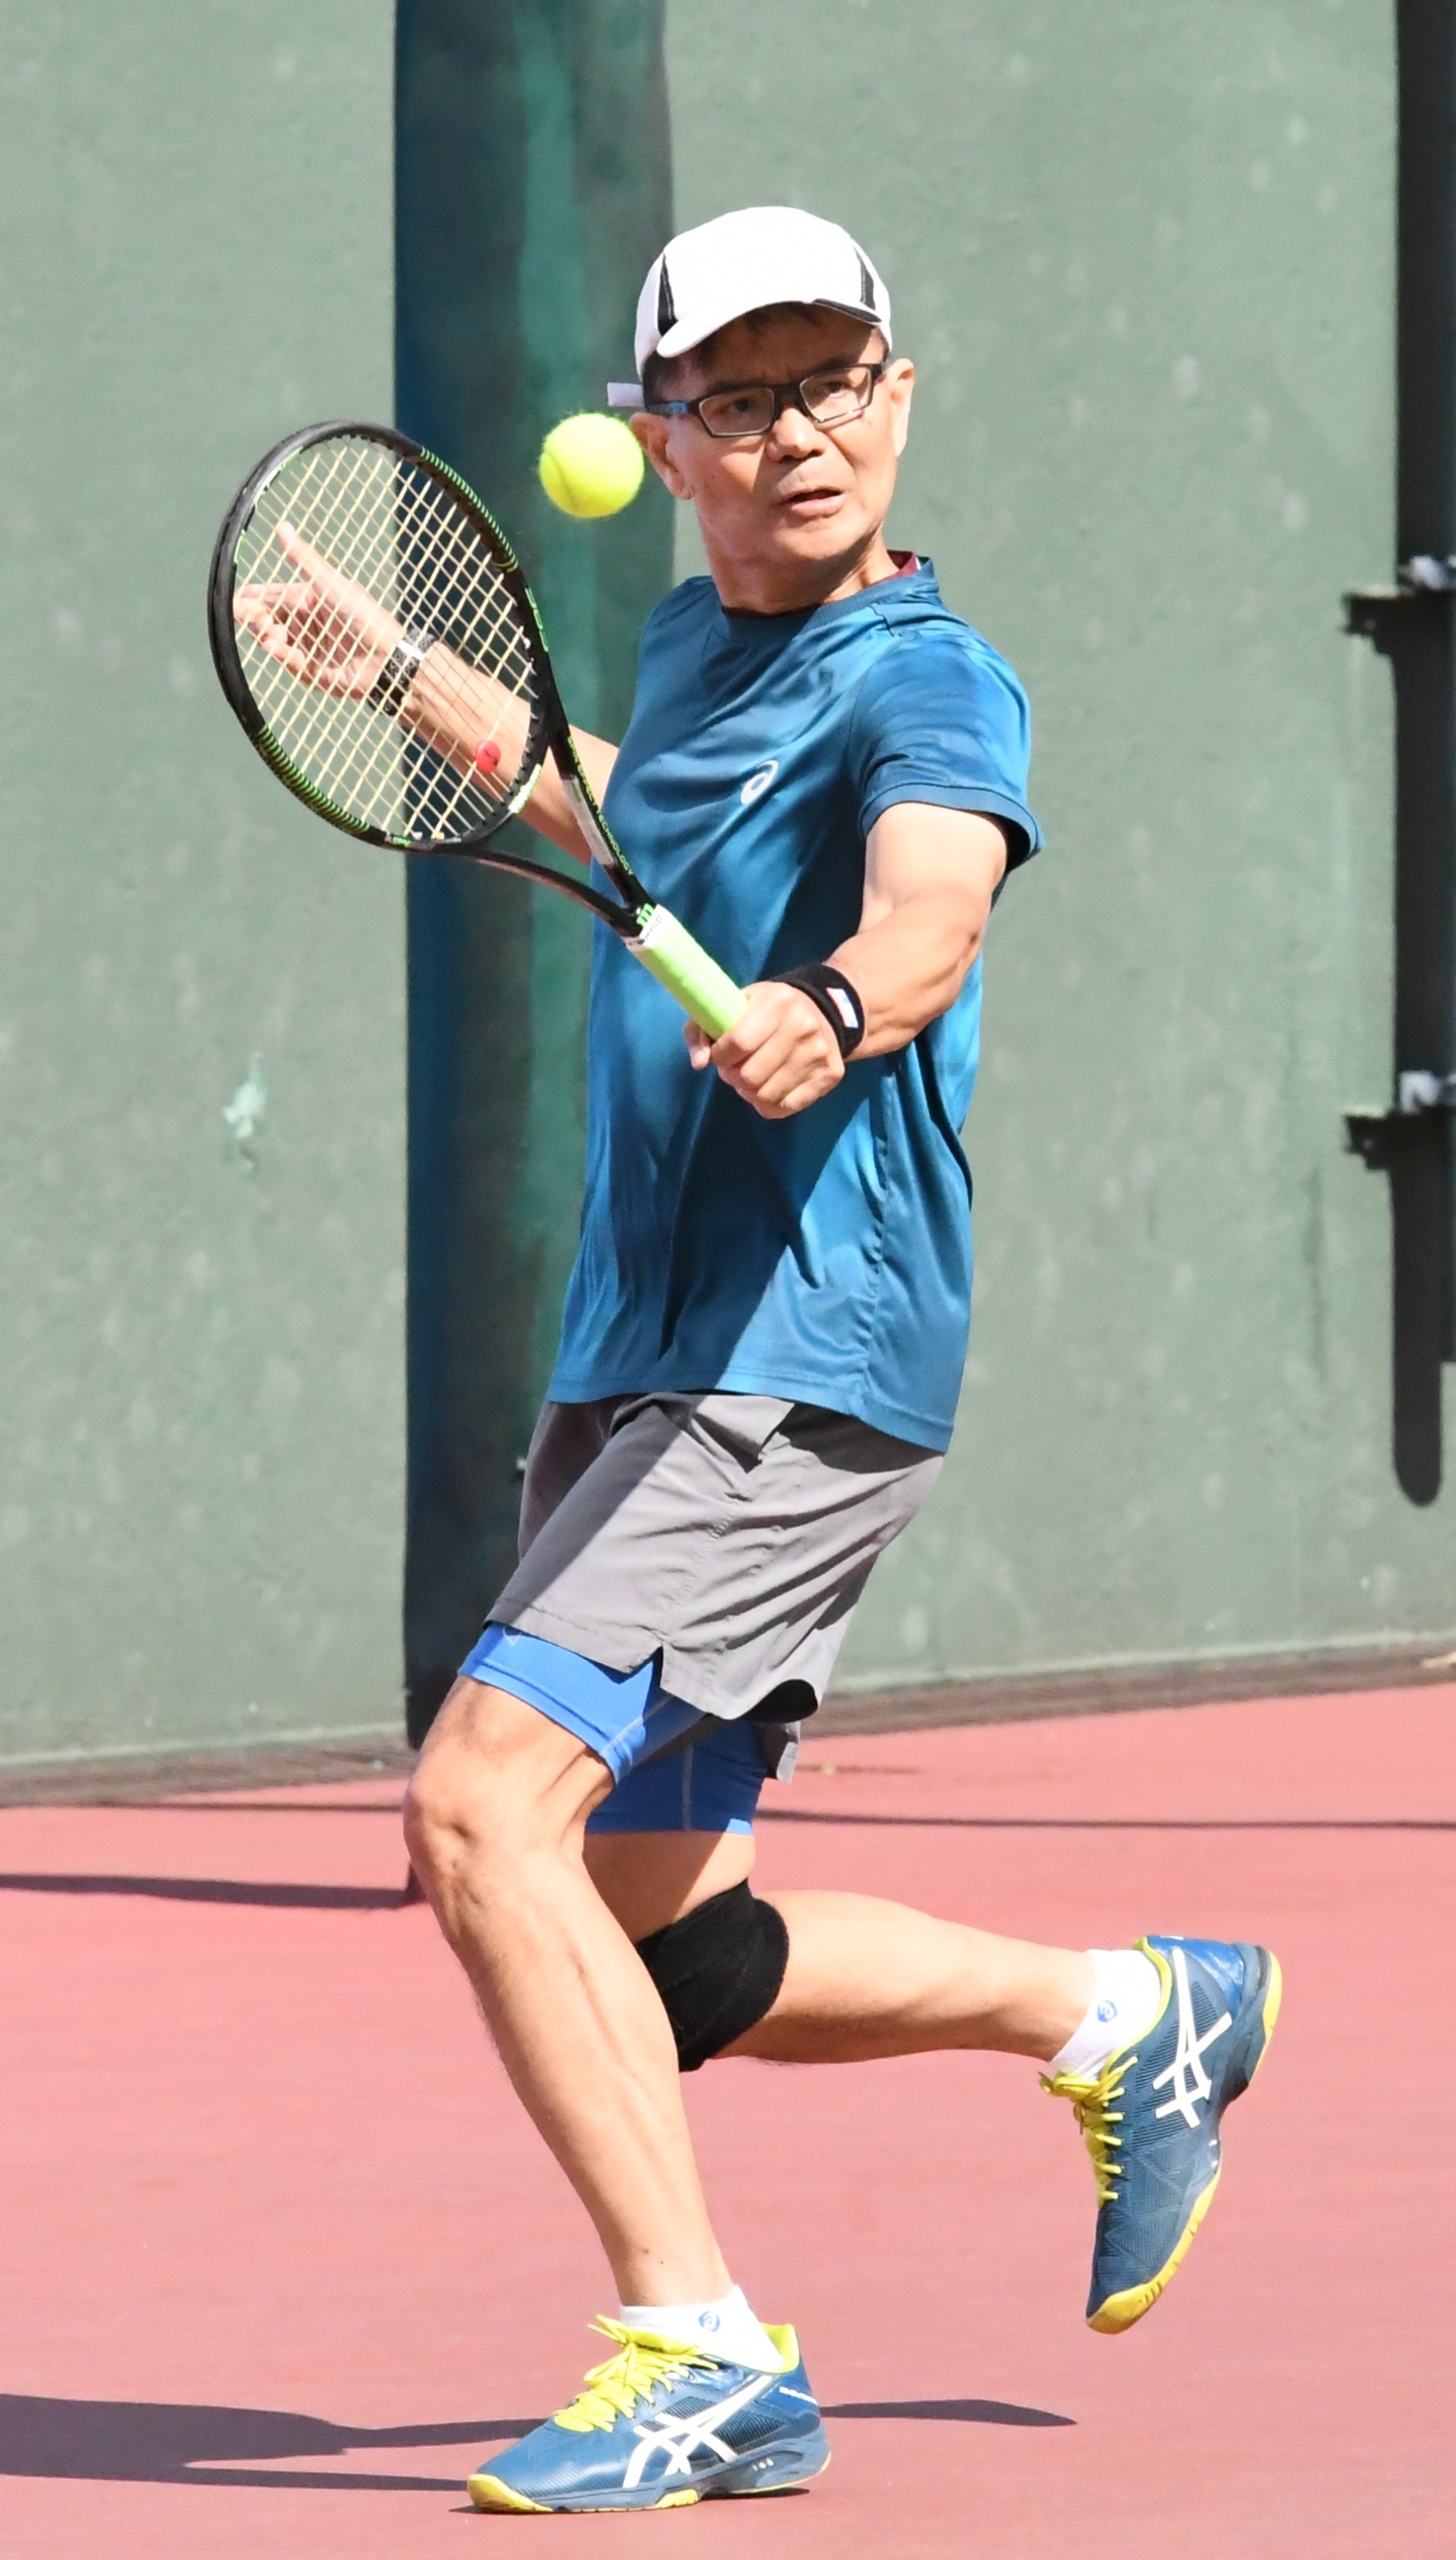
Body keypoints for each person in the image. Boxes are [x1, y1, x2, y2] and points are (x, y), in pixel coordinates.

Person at [245, 204, 1281, 2517]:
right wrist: (402, 671)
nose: (799, 429)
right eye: (741, 393)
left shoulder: (936, 677)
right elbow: (627, 805)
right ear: (665, 440)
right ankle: (1124, 2012)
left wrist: (833, 1001)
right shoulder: (704, 644)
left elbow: (933, 900)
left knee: (478, 1810)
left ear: (897, 400)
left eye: (834, 379)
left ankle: (698, 2349)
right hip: (652, 1348)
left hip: (797, 1355)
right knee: (668, 1946)